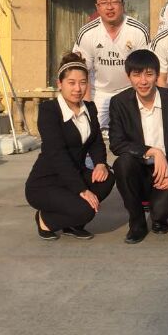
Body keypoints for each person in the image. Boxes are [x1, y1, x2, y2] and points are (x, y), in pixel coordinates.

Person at [109, 49, 168, 244]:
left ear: (157, 75)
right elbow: (116, 143)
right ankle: (137, 222)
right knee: (122, 163)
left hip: (167, 171)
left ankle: (159, 217)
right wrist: (152, 151)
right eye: (136, 75)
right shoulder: (119, 103)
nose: (143, 81)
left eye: (149, 74)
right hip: (138, 169)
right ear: (128, 77)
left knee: (160, 212)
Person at [25, 53, 115, 241]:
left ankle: (72, 225)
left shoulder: (89, 108)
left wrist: (100, 163)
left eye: (83, 82)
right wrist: (82, 190)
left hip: (75, 174)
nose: (77, 88)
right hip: (47, 182)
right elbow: (58, 155)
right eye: (71, 83)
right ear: (60, 83)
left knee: (107, 178)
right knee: (86, 210)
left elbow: (96, 141)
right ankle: (44, 220)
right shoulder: (49, 111)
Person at [73, 0, 149, 129]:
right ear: (97, 7)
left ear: (122, 4)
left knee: (136, 133)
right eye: (104, 3)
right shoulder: (87, 33)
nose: (109, 7)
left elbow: (146, 70)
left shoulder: (138, 31)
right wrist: (87, 107)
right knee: (89, 131)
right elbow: (83, 72)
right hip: (98, 93)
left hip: (130, 92)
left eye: (114, 2)